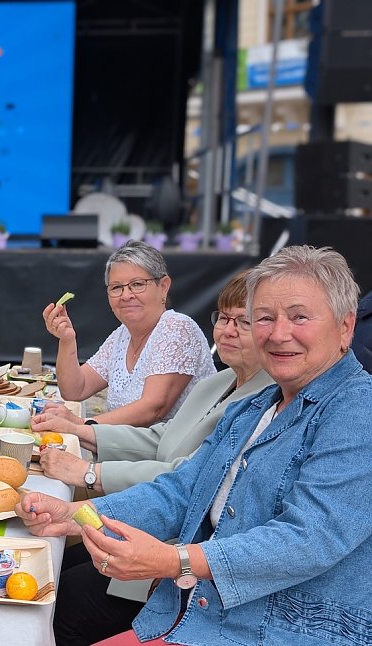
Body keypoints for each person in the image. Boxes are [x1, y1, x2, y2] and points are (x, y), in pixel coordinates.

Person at [17, 246, 372, 646]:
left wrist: (176, 560)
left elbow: (310, 538)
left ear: (345, 328)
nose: (278, 333)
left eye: (299, 316)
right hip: (197, 612)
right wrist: (75, 514)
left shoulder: (358, 408)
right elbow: (184, 489)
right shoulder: (257, 405)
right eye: (266, 318)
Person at [36, 270, 273, 643]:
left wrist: (88, 472)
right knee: (52, 564)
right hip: (147, 524)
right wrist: (84, 431)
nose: (227, 330)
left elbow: (182, 473)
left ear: (164, 287)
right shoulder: (220, 381)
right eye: (223, 318)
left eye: (242, 321)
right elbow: (164, 437)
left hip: (173, 559)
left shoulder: (267, 399)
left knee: (57, 603)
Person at [45, 240, 215, 427]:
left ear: (164, 286)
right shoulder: (122, 336)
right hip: (126, 447)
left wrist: (81, 425)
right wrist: (67, 340)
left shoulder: (177, 328)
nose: (126, 295)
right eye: (116, 287)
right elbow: (76, 389)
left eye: (137, 284)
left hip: (172, 453)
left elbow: (153, 409)